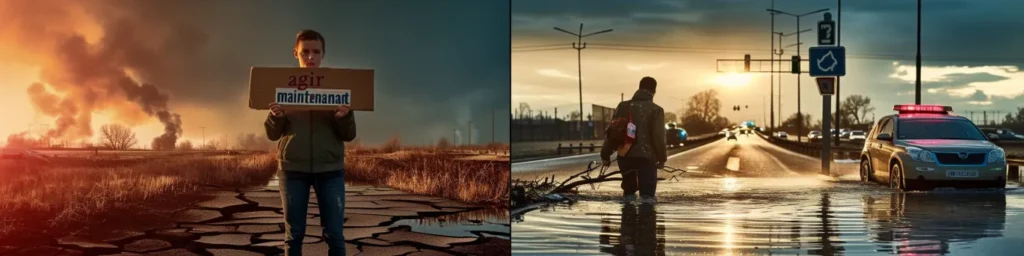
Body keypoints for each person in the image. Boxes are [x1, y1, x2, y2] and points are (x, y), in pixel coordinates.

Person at [265, 29, 356, 256]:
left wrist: (344, 118)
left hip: (331, 170)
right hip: (292, 170)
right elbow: (272, 135)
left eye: (316, 52)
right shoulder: (284, 88)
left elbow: (349, 135)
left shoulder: (337, 88)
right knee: (294, 235)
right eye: (305, 52)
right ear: (295, 53)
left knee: (335, 234)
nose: (310, 57)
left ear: (323, 54)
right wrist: (276, 117)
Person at [600, 76, 667, 204]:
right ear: (654, 91)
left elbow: (612, 131)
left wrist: (605, 155)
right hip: (646, 158)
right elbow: (658, 136)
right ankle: (646, 221)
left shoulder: (623, 106)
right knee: (647, 198)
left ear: (639, 87)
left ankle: (628, 221)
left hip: (625, 156)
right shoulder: (656, 110)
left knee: (628, 196)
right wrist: (662, 158)